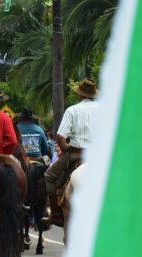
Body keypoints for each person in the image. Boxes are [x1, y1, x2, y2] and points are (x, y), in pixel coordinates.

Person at [44, 78, 98, 226]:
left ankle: (55, 214)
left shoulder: (72, 110)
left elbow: (61, 137)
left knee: (48, 177)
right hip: (99, 156)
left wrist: (66, 148)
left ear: (80, 95)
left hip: (76, 153)